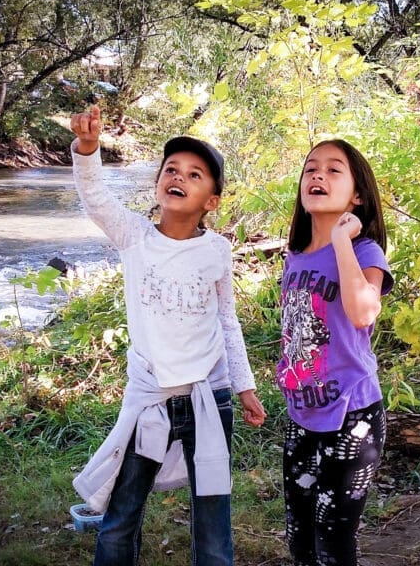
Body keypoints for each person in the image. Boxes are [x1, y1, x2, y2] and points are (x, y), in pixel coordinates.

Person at [69, 105, 266, 566]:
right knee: (122, 511)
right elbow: (96, 197)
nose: (179, 177)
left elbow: (228, 321)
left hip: (209, 398)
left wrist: (244, 384)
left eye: (195, 174)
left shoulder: (217, 250)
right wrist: (87, 150)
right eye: (172, 169)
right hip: (149, 397)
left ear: (211, 201)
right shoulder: (134, 236)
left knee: (213, 512)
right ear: (158, 182)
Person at [276, 139, 394, 566]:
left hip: (352, 416)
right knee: (300, 537)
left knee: (334, 542)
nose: (317, 176)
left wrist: (343, 238)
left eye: (332, 170)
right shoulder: (293, 257)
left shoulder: (366, 253)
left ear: (357, 195)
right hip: (302, 414)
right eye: (310, 169)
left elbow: (363, 312)